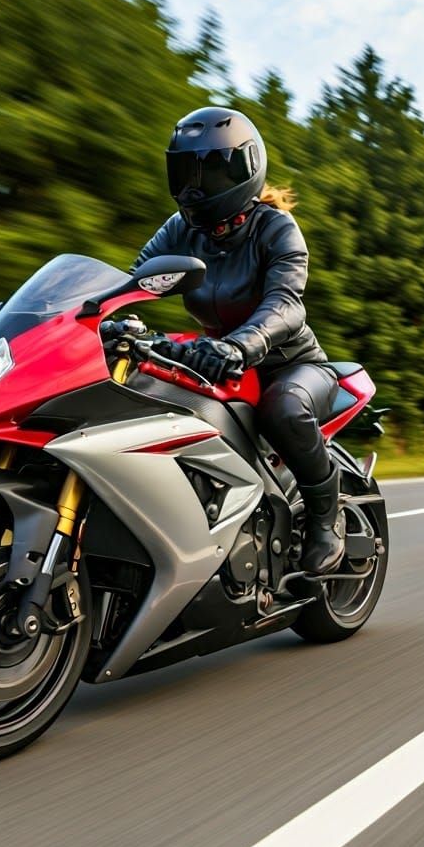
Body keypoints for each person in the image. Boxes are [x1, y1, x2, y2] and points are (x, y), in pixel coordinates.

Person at [133, 105, 343, 576]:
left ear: (245, 168)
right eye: (186, 172)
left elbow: (286, 306)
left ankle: (326, 521)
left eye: (209, 173)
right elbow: (132, 279)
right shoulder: (181, 228)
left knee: (284, 410)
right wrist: (91, 313)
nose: (194, 188)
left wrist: (239, 346)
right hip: (218, 360)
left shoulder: (275, 228)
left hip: (288, 364)